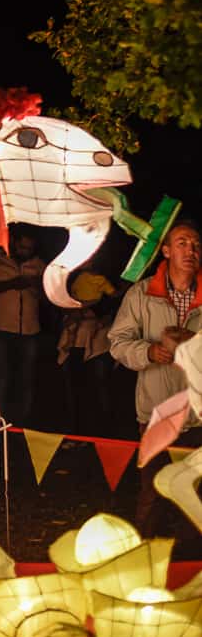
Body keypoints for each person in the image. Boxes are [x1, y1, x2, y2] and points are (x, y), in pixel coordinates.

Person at [108, 218, 202, 536]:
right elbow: (117, 342)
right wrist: (148, 353)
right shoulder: (141, 294)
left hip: (199, 415)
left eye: (196, 244)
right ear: (165, 251)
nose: (191, 250)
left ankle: (192, 570)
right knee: (152, 495)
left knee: (197, 497)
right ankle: (147, 561)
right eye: (182, 243)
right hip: (156, 412)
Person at [0, 226, 45, 426]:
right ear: (14, 244)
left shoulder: (39, 265)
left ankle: (23, 424)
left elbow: (47, 296)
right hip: (1, 328)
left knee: (27, 378)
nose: (25, 251)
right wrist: (14, 283)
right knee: (1, 377)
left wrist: (36, 285)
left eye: (29, 248)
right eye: (22, 247)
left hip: (29, 329)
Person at [57, 268, 120, 435]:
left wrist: (93, 307)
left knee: (99, 387)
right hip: (75, 343)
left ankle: (103, 434)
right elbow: (64, 308)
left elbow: (113, 305)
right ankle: (77, 432)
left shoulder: (106, 282)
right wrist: (78, 309)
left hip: (99, 344)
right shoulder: (72, 278)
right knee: (75, 390)